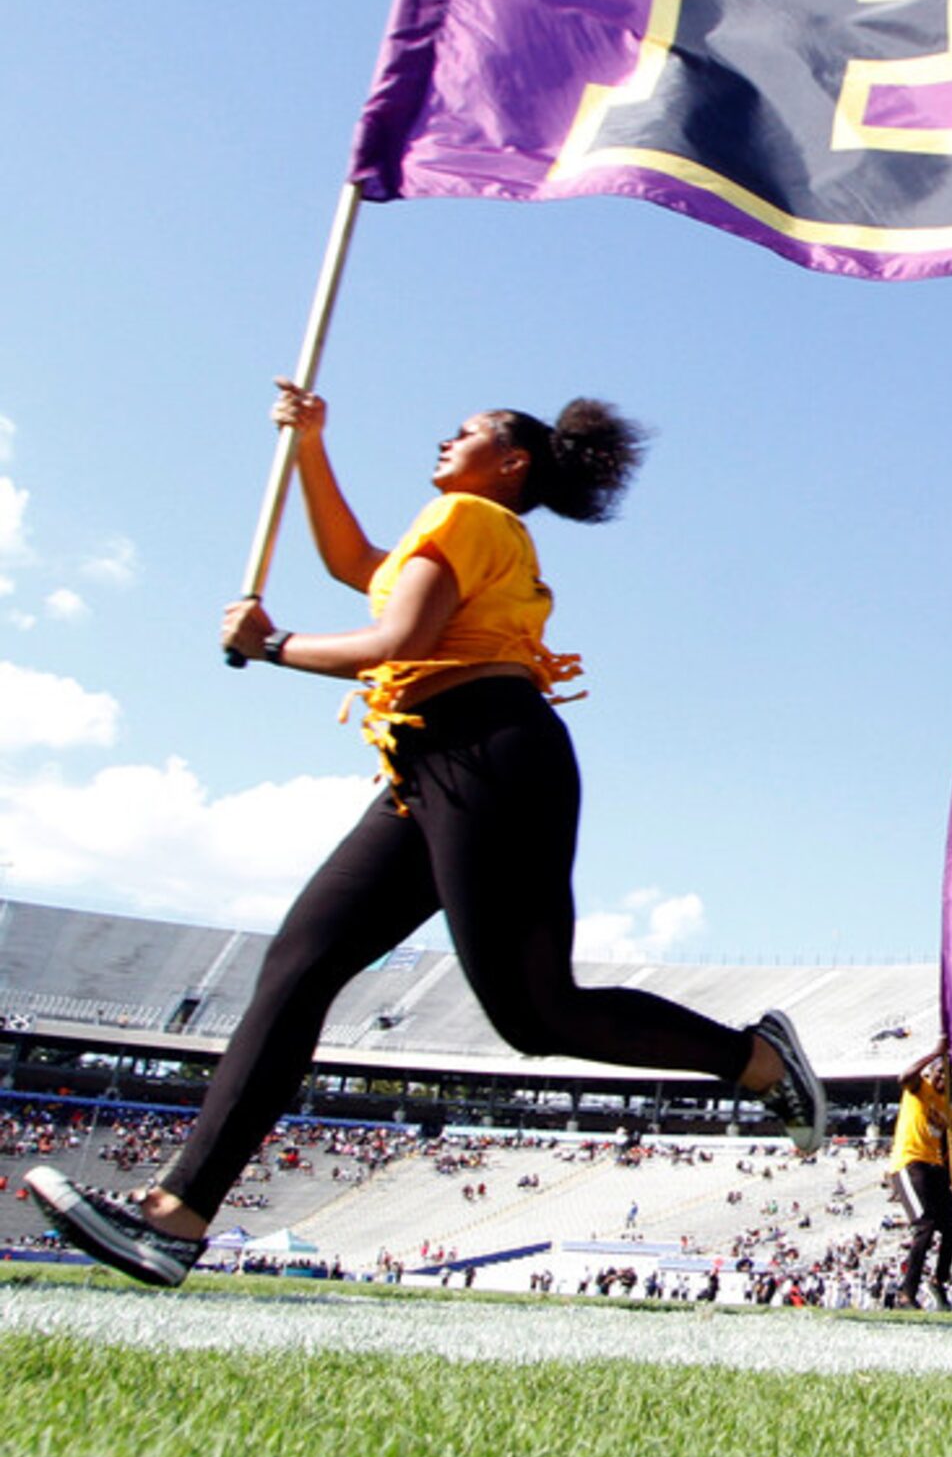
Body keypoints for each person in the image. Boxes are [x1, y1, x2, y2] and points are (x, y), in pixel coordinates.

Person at [27, 381, 824, 1288]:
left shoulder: (472, 517)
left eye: (468, 431)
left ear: (511, 463)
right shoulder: (459, 527)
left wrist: (272, 643)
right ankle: (175, 1218)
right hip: (428, 762)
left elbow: (391, 635)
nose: (446, 439)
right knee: (299, 965)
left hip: (490, 753)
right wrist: (313, 444)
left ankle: (755, 1060)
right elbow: (354, 564)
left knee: (535, 1016)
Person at [888, 1047, 952, 1310]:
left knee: (951, 1230)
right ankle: (906, 1294)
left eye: (947, 1073)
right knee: (925, 1226)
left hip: (935, 1168)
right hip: (910, 1163)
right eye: (938, 1071)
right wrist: (936, 1052)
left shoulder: (949, 1112)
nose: (942, 1076)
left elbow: (947, 1151)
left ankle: (939, 1281)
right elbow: (904, 1076)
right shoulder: (918, 1089)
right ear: (930, 1072)